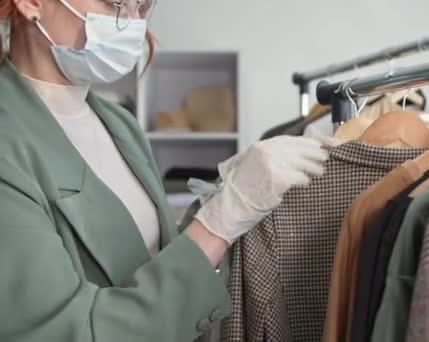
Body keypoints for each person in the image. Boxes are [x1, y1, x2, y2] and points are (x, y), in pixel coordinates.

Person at [0, 0, 331, 341]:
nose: (131, 20)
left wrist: (220, 202)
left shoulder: (118, 123)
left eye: (141, 5)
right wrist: (216, 225)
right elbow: (63, 331)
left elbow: (153, 260)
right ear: (30, 4)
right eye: (115, 2)